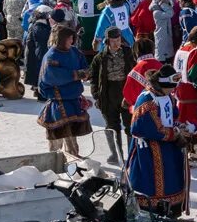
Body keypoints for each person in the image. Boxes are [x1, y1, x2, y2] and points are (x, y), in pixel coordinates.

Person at [127, 64, 191, 214]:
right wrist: (174, 133)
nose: (173, 90)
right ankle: (151, 211)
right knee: (152, 183)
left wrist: (178, 126)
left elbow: (170, 117)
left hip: (167, 148)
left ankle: (171, 210)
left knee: (172, 179)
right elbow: (144, 127)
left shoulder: (166, 95)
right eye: (171, 87)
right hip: (149, 149)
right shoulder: (147, 100)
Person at [38, 24, 93, 158]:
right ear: (62, 39)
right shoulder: (51, 56)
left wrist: (86, 73)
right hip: (59, 103)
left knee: (71, 140)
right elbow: (51, 77)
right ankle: (53, 165)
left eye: (72, 38)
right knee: (57, 142)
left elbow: (85, 66)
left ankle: (73, 163)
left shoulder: (74, 52)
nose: (71, 41)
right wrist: (75, 75)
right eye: (69, 38)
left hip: (73, 101)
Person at [88, 27, 135, 165]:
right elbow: (94, 78)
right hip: (108, 94)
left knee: (129, 125)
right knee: (112, 126)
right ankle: (116, 154)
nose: (116, 43)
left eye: (118, 40)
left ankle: (132, 153)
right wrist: (96, 94)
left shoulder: (128, 53)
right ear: (108, 41)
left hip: (126, 93)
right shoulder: (100, 58)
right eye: (113, 41)